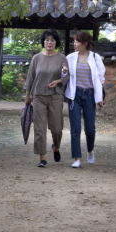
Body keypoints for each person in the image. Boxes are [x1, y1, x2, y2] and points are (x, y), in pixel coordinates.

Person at [24, 29, 69, 167]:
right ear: (43, 42)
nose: (49, 42)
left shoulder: (62, 58)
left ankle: (56, 147)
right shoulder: (36, 58)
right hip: (38, 96)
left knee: (57, 128)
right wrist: (27, 96)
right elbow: (30, 77)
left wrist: (59, 81)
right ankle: (42, 158)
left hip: (55, 96)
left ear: (56, 42)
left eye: (52, 40)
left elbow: (68, 76)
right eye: (47, 39)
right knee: (39, 128)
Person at [64, 31, 105, 168]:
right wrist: (64, 71)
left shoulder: (95, 57)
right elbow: (64, 74)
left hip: (89, 95)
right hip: (74, 95)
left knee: (90, 129)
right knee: (75, 128)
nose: (74, 44)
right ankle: (77, 158)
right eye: (74, 41)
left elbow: (100, 79)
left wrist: (100, 97)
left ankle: (90, 150)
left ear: (85, 44)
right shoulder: (70, 57)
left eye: (77, 42)